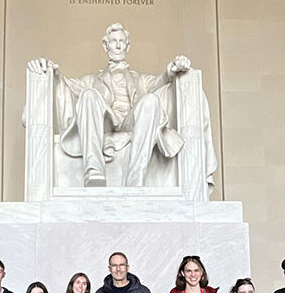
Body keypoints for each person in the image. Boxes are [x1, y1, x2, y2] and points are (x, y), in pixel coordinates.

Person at [27, 23, 215, 188]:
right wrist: (50, 70)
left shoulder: (139, 80)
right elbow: (66, 84)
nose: (117, 45)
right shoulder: (91, 80)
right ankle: (93, 170)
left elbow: (160, 81)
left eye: (121, 41)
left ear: (127, 45)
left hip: (131, 121)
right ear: (105, 45)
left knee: (151, 100)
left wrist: (172, 69)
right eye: (113, 41)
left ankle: (136, 176)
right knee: (88, 95)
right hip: (105, 120)